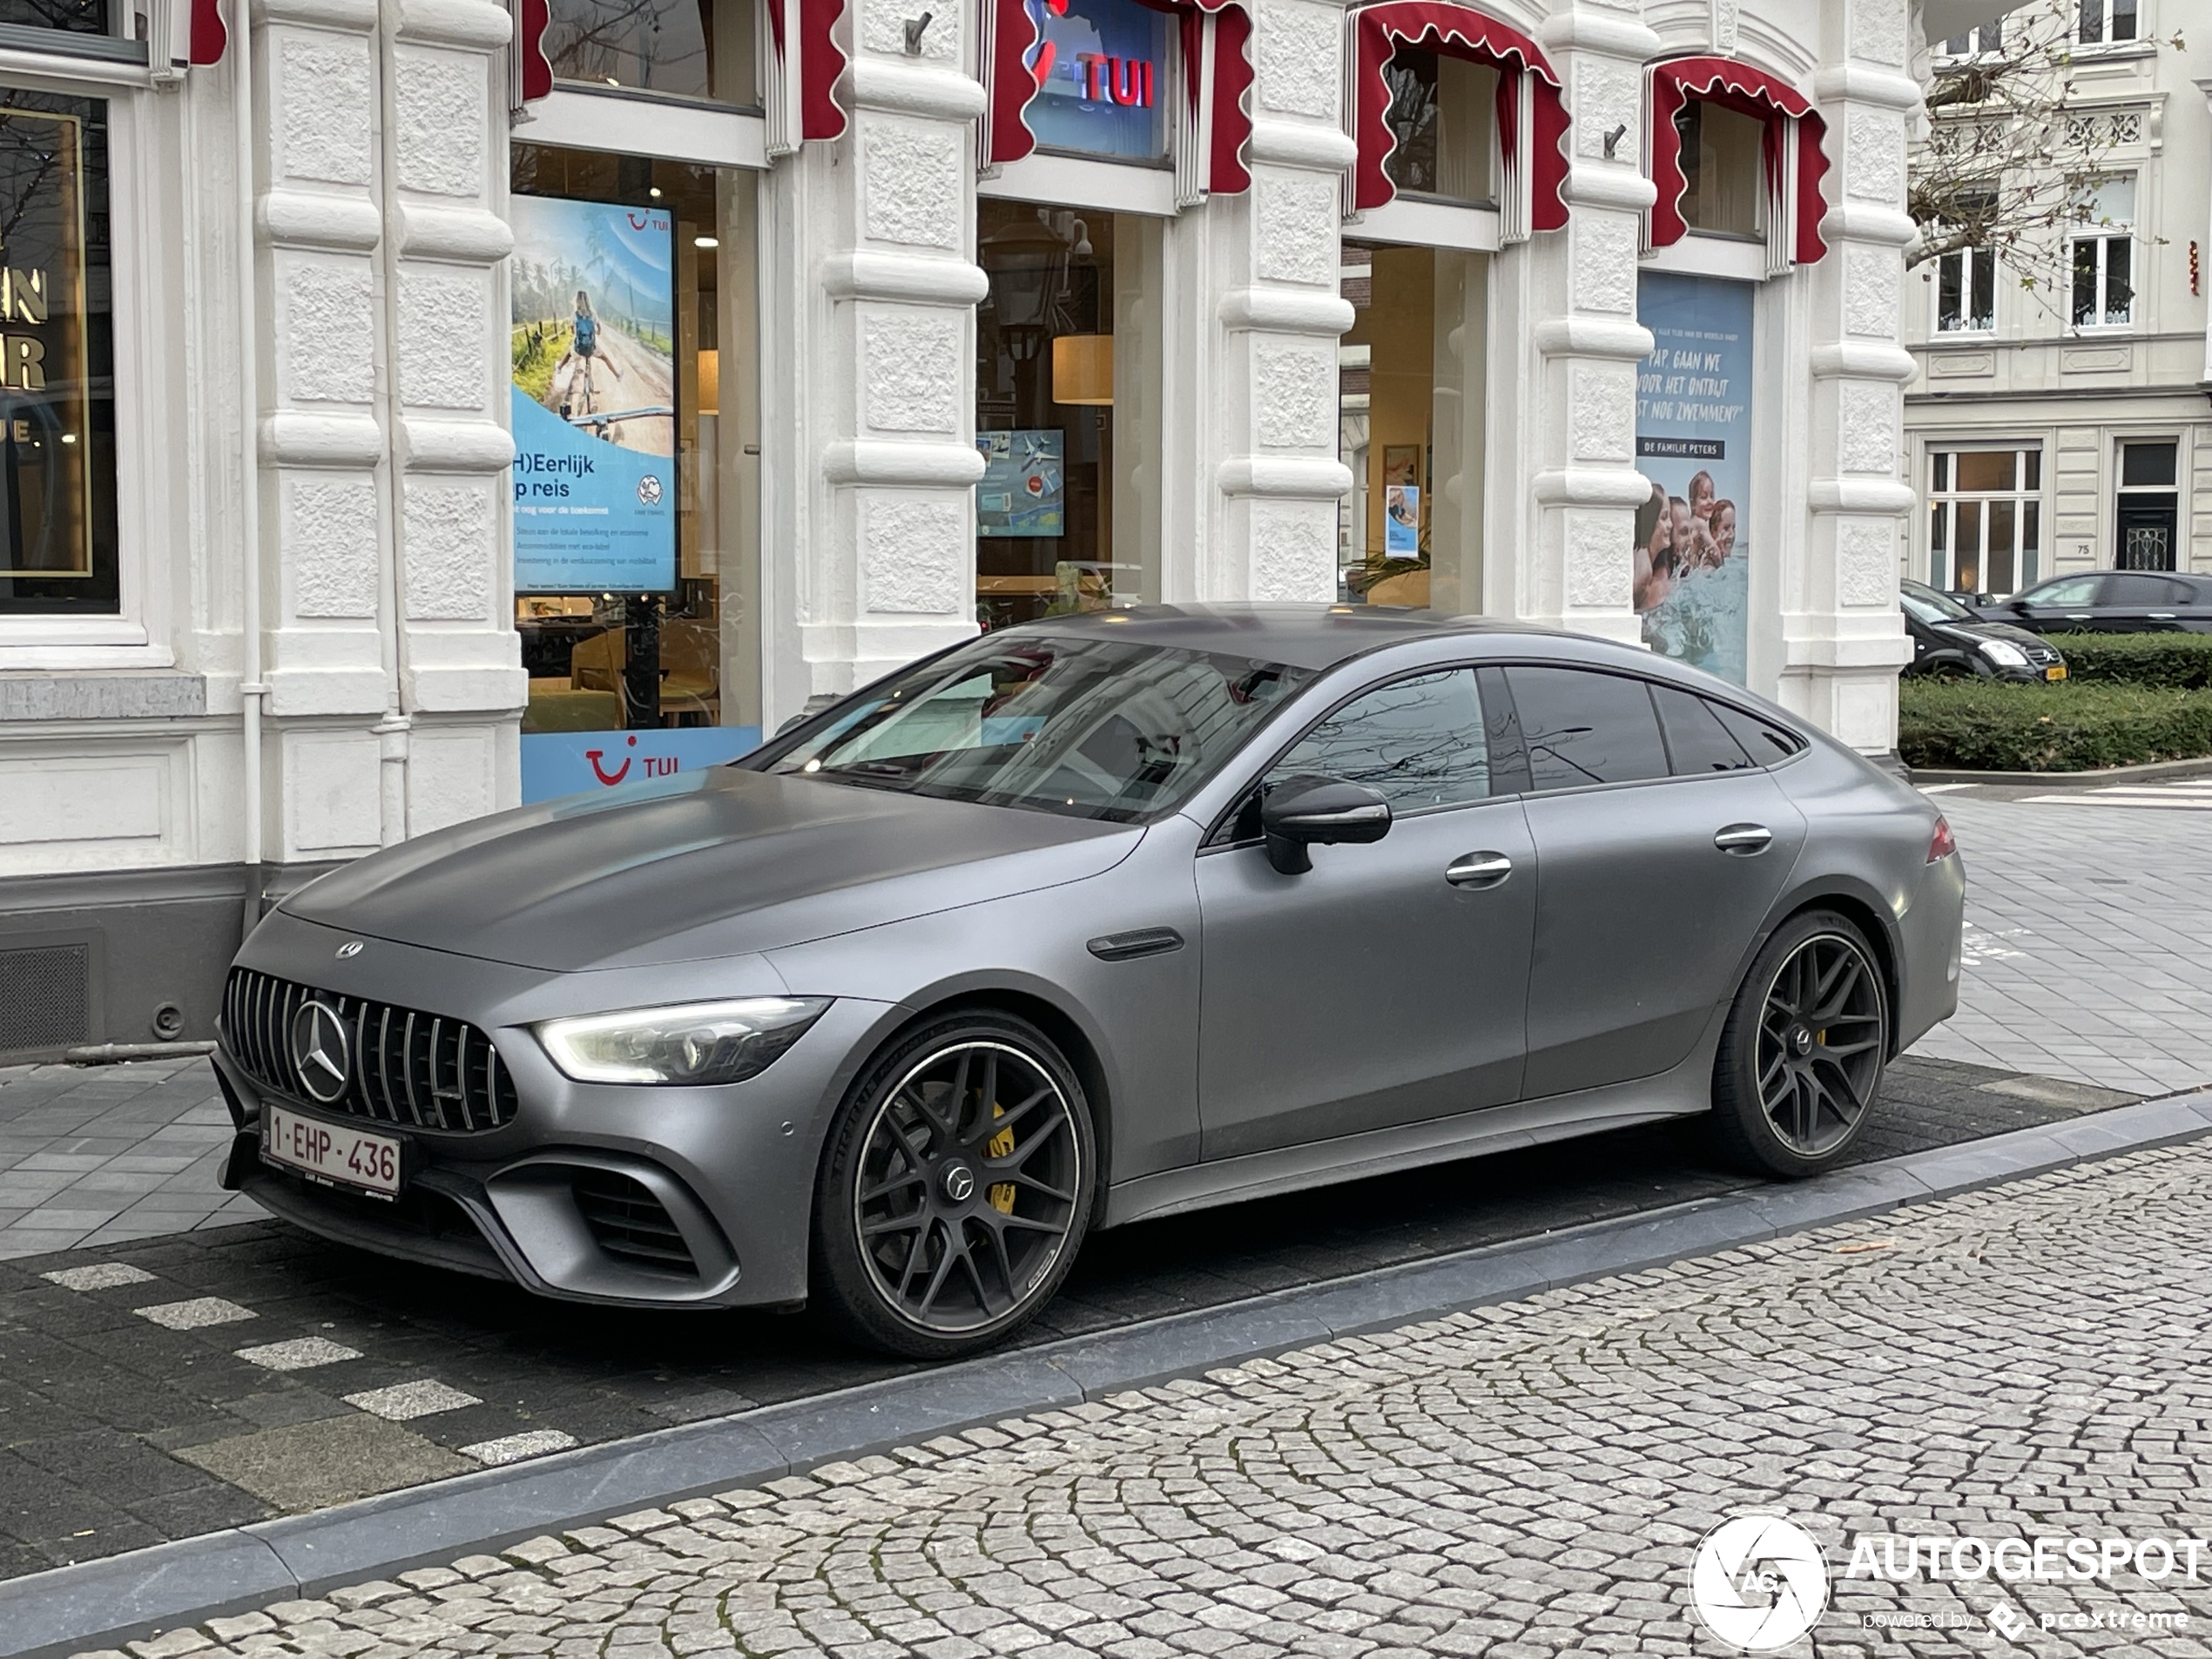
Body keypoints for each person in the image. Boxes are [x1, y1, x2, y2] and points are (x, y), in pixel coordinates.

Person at [1633, 481, 1676, 611]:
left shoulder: (1648, 560)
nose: (1670, 525)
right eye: (1664, 518)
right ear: (1649, 521)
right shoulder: (1643, 566)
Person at [1707, 499, 1738, 565]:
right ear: (1713, 531)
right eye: (1726, 528)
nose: (1732, 535)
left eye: (1733, 528)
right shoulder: (1709, 570)